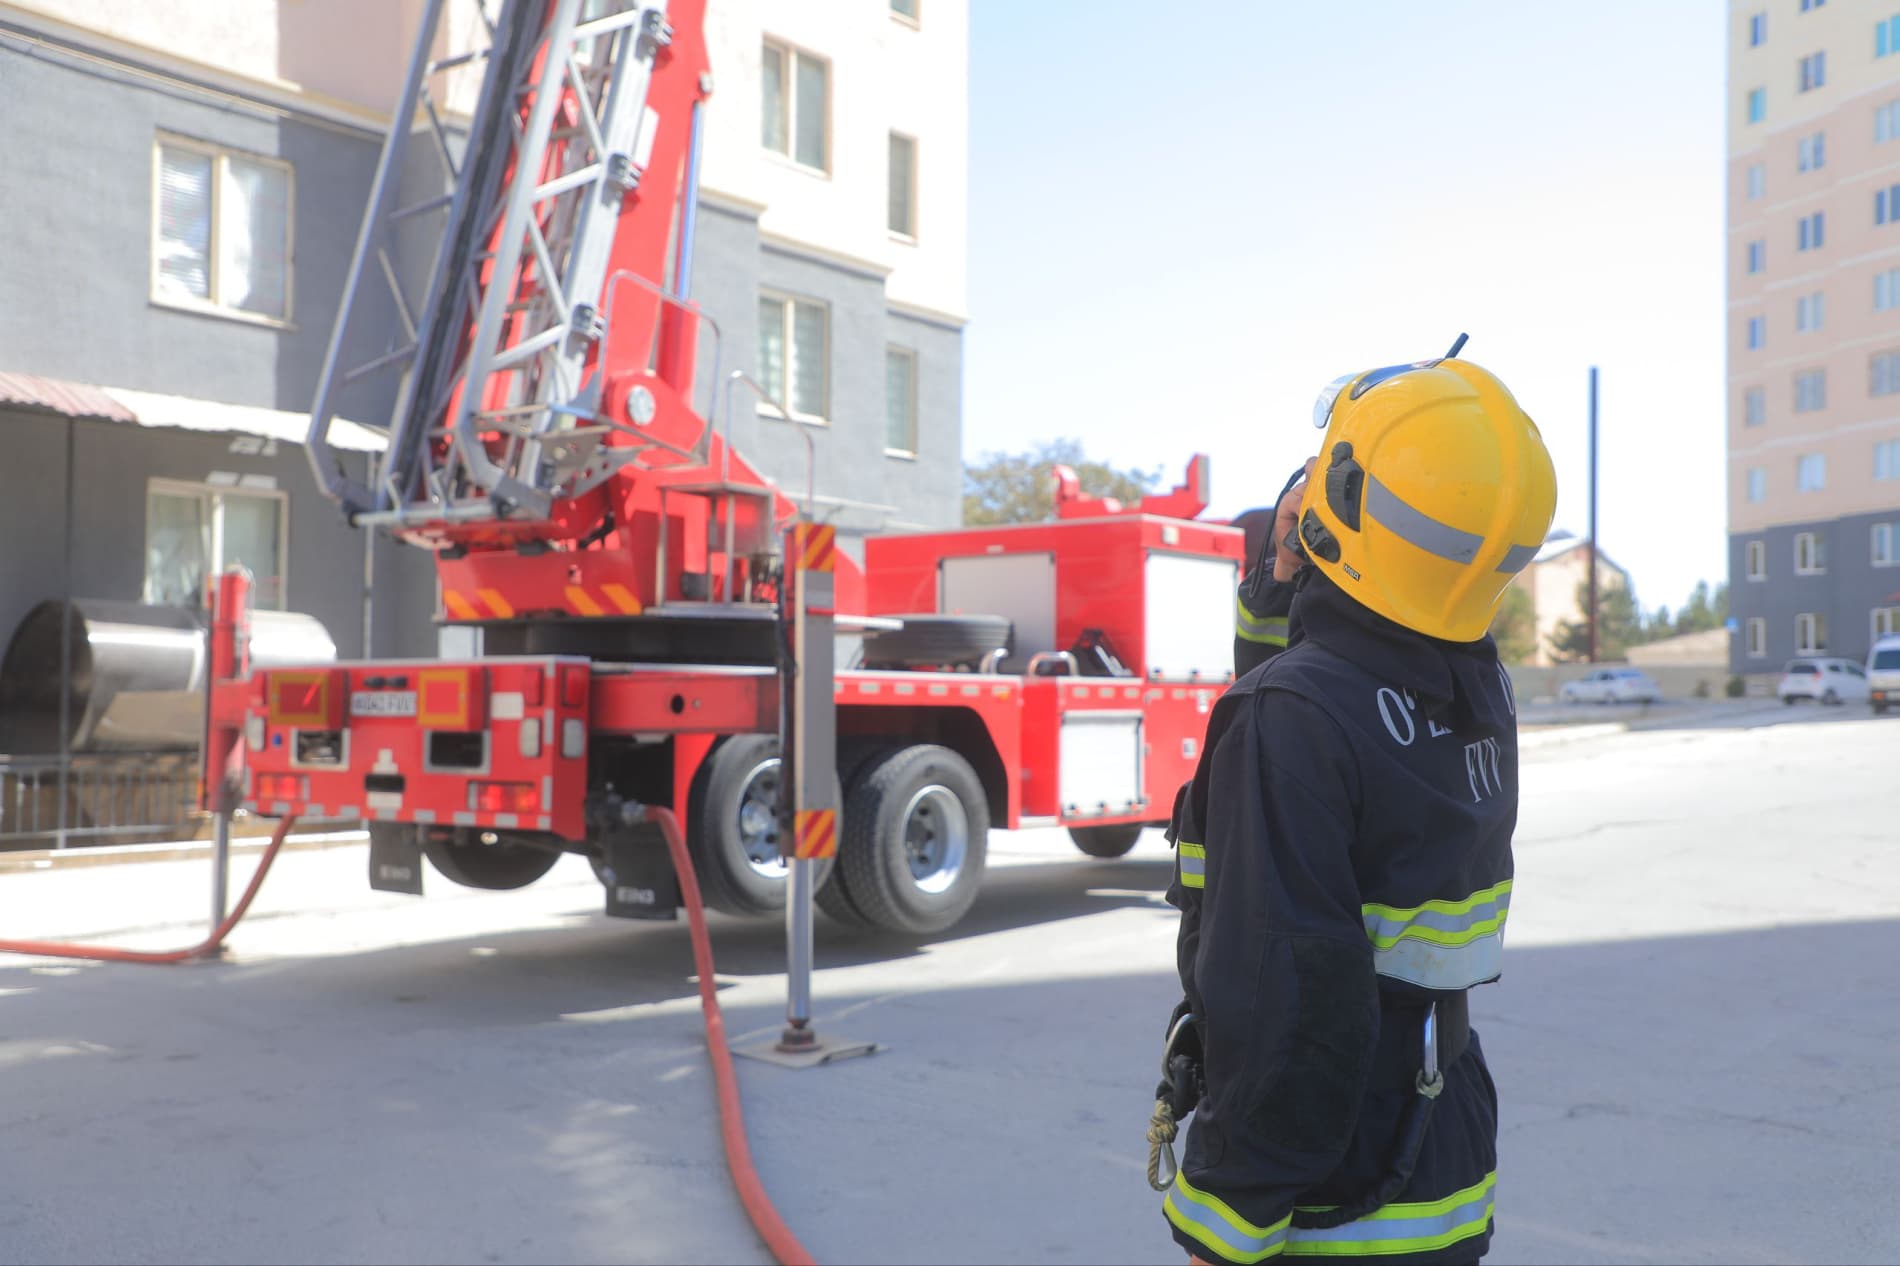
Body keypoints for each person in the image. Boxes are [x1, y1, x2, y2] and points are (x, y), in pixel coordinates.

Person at [1156, 350, 1556, 1265]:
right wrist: (1284, 583)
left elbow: (1285, 1000)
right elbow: (1324, 682)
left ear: (1345, 495)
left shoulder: (1292, 719)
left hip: (1330, 1184)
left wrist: (1225, 1219)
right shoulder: (1472, 679)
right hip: (1439, 1138)